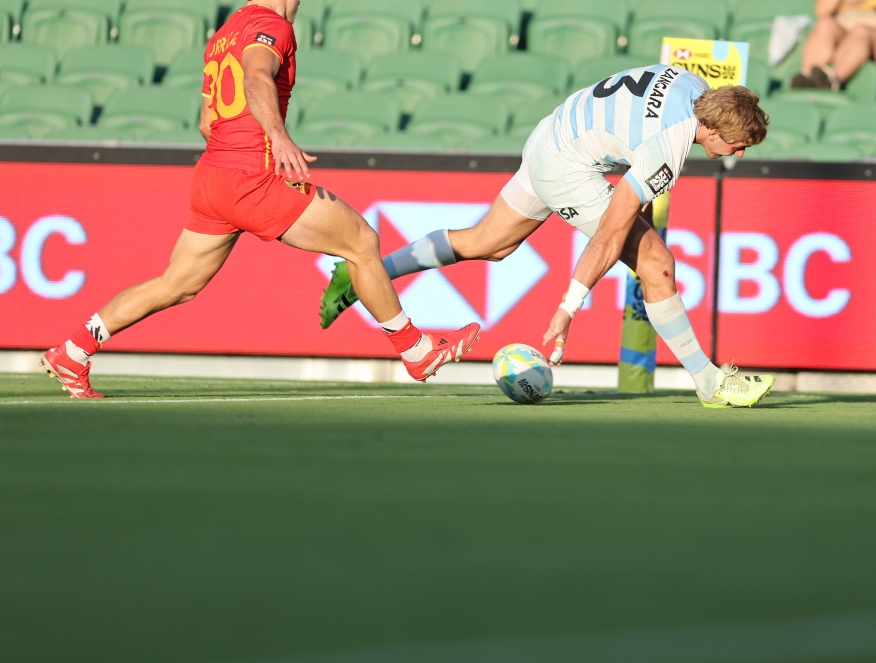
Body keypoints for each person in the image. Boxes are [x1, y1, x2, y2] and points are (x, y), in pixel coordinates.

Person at [38, 0, 480, 399]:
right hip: (252, 176)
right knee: (362, 242)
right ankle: (416, 349)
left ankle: (73, 351)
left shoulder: (222, 34)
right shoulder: (273, 27)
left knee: (175, 285)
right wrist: (276, 136)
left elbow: (207, 122)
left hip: (212, 178)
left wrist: (236, 160)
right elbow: (255, 75)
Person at [318, 66, 776, 409]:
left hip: (550, 134)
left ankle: (363, 272)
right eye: (735, 146)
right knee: (657, 264)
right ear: (710, 130)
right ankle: (710, 383)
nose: (735, 154)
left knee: (489, 242)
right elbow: (611, 233)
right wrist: (567, 310)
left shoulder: (695, 86)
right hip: (565, 168)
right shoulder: (670, 145)